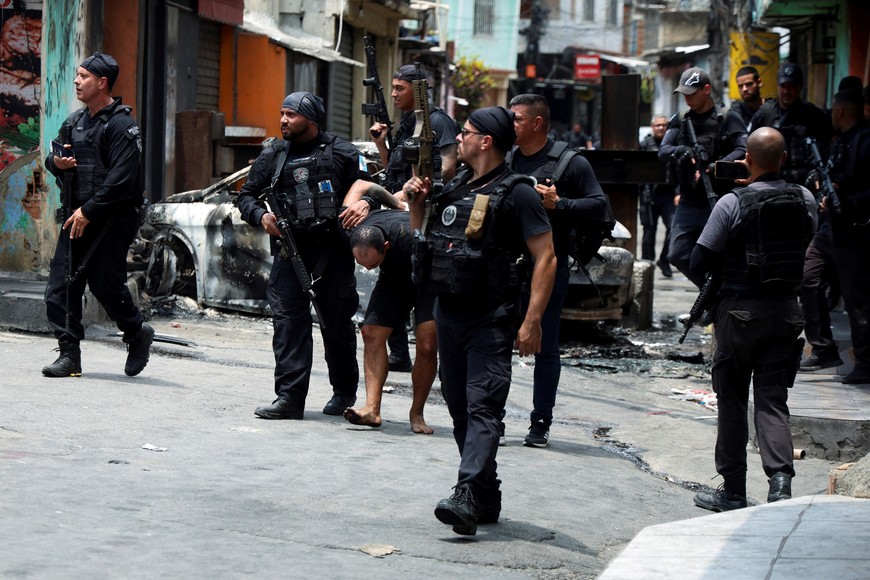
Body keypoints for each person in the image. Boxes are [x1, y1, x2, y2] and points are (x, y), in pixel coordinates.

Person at [404, 106, 556, 535]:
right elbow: (425, 236)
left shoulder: (518, 193)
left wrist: (533, 321)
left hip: (492, 317)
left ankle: (467, 491)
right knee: (458, 410)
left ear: (485, 141)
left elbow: (546, 257)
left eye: (466, 133)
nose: (459, 140)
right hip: (449, 312)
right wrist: (416, 203)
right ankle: (486, 493)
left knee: (483, 404)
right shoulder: (455, 186)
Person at [690, 127, 817, 512]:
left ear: (747, 158)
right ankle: (780, 484)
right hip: (788, 312)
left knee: (731, 398)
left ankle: (732, 491)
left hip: (740, 313)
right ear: (783, 158)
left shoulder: (731, 202)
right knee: (772, 399)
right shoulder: (806, 198)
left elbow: (698, 260)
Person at [237, 92, 372, 419]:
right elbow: (246, 196)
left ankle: (343, 393)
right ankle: (290, 398)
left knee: (336, 324)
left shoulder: (343, 152)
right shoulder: (273, 155)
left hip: (332, 254)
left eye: (291, 115)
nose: (283, 120)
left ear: (311, 120)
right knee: (288, 325)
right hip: (289, 253)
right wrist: (261, 217)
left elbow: (370, 189)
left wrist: (365, 204)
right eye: (281, 113)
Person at [42, 52, 153, 378]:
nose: (77, 81)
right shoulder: (74, 123)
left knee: (106, 285)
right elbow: (55, 158)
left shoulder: (121, 125)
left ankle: (136, 332)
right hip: (76, 218)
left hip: (110, 221)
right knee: (61, 288)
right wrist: (56, 164)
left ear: (102, 83)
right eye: (77, 76)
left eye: (83, 76)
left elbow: (122, 179)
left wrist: (90, 211)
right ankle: (69, 354)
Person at [507, 93, 607, 447]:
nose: (510, 123)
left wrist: (559, 203)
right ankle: (494, 418)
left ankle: (539, 424)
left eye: (517, 118)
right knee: (498, 343)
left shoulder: (569, 163)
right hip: (505, 268)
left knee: (545, 347)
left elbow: (599, 206)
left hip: (547, 269)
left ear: (537, 123)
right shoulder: (506, 158)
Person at [369, 63, 458, 373]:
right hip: (397, 210)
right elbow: (392, 171)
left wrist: (423, 188)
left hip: (421, 212)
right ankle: (398, 353)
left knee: (419, 281)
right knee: (393, 275)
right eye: (392, 88)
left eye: (400, 88)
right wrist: (382, 144)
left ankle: (432, 358)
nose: (394, 94)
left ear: (418, 90)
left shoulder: (437, 122)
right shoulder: (408, 124)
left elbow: (448, 164)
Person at [340, 208, 438, 433]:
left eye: (372, 266)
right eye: (363, 265)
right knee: (371, 332)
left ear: (386, 247)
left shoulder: (407, 236)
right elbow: (361, 186)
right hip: (394, 278)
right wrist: (364, 200)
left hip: (430, 279)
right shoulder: (355, 229)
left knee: (427, 343)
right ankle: (372, 409)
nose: (367, 269)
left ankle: (417, 413)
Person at [659, 66, 747, 288]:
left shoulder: (727, 117)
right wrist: (682, 151)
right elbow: (663, 150)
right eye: (684, 93)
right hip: (689, 199)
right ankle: (711, 294)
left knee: (721, 255)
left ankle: (719, 299)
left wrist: (714, 166)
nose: (687, 98)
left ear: (706, 89)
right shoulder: (680, 119)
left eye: (692, 92)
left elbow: (743, 148)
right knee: (677, 254)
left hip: (720, 199)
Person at [825, 88, 870, 384]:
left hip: (858, 232)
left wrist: (847, 201)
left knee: (859, 301)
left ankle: (865, 363)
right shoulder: (843, 141)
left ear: (841, 111)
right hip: (837, 229)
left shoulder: (864, 142)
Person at [749, 63, 832, 187]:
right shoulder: (765, 114)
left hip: (805, 183)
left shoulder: (813, 114)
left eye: (791, 86)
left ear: (800, 87)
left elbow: (827, 148)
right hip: (772, 183)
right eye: (783, 86)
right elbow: (750, 146)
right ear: (777, 86)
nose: (786, 91)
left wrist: (817, 174)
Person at [639, 114, 678, 277]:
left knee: (673, 227)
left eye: (664, 125)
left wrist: (679, 192)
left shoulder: (672, 145)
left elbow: (679, 170)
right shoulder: (644, 145)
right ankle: (646, 264)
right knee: (649, 232)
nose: (661, 128)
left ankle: (664, 259)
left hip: (668, 194)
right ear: (652, 127)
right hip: (649, 195)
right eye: (658, 125)